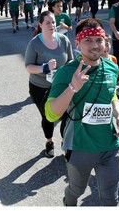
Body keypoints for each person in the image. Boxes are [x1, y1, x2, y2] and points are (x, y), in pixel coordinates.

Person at [44, 18, 119, 206]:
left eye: (98, 40)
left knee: (111, 198)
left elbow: (111, 94)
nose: (95, 45)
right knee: (77, 189)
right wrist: (72, 88)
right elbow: (51, 114)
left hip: (109, 144)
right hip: (80, 146)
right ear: (77, 43)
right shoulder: (67, 73)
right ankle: (69, 201)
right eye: (87, 40)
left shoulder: (112, 68)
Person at [25, 11, 74, 158]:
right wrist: (44, 68)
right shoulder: (34, 43)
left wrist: (66, 71)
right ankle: (49, 141)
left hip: (60, 87)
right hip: (40, 87)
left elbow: (70, 61)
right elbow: (28, 66)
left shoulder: (64, 40)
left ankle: (65, 142)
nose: (52, 25)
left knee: (66, 116)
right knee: (48, 117)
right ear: (40, 25)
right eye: (48, 23)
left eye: (53, 22)